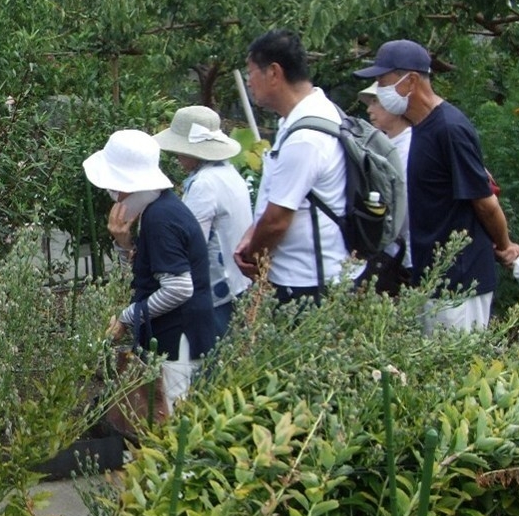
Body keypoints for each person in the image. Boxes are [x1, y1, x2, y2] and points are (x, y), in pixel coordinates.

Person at [353, 39, 519, 333]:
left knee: (457, 370)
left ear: (410, 81)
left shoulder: (450, 128)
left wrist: (505, 245)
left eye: (384, 82)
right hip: (430, 279)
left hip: (460, 283)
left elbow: (485, 202)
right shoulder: (420, 127)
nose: (379, 90)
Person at [89, 129, 214, 413]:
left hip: (178, 336)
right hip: (173, 332)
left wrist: (127, 317)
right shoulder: (158, 209)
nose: (111, 194)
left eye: (113, 185)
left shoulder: (161, 218)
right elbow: (150, 274)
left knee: (171, 416)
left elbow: (180, 288)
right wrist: (124, 244)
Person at [233, 29, 348, 304]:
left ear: (274, 73)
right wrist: (251, 235)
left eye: (251, 72)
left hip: (309, 284)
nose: (249, 82)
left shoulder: (306, 136)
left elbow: (277, 220)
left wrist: (252, 258)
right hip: (307, 277)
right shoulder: (302, 117)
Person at [153, 105, 252, 338]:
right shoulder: (229, 173)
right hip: (238, 284)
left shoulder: (204, 184)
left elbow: (190, 243)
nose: (176, 156)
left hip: (216, 293)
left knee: (210, 363)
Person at [358, 81, 415, 287]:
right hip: (387, 253)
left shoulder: (409, 147)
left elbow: (404, 207)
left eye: (375, 101)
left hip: (404, 257)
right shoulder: (384, 143)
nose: (368, 109)